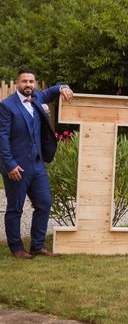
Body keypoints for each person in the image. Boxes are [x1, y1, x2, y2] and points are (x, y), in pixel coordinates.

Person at [0, 67, 74, 259]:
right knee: (15, 208)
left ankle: (37, 246)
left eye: (31, 82)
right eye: (24, 81)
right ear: (17, 83)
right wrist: (9, 165)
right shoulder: (7, 106)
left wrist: (63, 87)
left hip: (38, 164)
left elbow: (52, 91)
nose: (28, 85)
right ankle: (16, 248)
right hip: (17, 166)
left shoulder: (37, 99)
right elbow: (3, 138)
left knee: (44, 203)